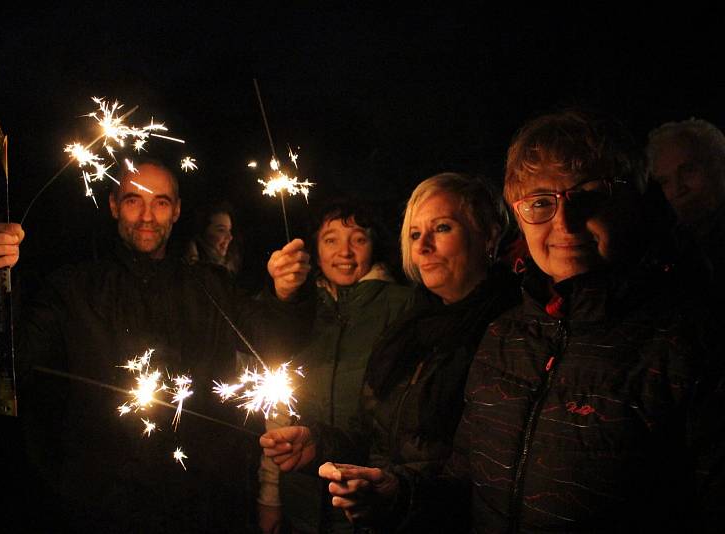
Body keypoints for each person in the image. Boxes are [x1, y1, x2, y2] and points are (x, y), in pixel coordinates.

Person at [320, 109, 723, 531]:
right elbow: (468, 478)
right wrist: (398, 493)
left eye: (588, 194)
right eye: (541, 203)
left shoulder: (689, 345)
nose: (564, 223)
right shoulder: (507, 338)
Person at [0, 158, 312, 533]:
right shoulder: (72, 287)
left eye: (160, 202)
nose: (147, 215)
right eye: (133, 200)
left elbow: (275, 346)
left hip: (199, 505)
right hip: (99, 507)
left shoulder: (211, 286)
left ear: (176, 211)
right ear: (114, 204)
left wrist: (284, 294)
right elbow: (13, 364)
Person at [262, 174, 520, 532]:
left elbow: (489, 479)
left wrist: (401, 496)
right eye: (415, 235)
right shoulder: (411, 329)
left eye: (442, 228)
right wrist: (319, 445)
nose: (424, 246)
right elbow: (377, 437)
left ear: (489, 234)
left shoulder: (509, 332)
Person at [257, 199, 413, 534]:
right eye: (331, 240)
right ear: (314, 246)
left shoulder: (403, 306)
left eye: (358, 239)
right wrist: (270, 494)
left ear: (376, 245)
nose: (344, 252)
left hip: (364, 501)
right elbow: (274, 407)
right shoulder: (299, 308)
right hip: (300, 498)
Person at [647, 118, 725, 300]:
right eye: (664, 181)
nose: (678, 189)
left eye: (688, 170)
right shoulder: (671, 246)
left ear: (719, 165)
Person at [186, 200, 242, 275]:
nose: (230, 237)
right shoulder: (190, 271)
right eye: (221, 230)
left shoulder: (230, 269)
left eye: (229, 230)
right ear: (203, 231)